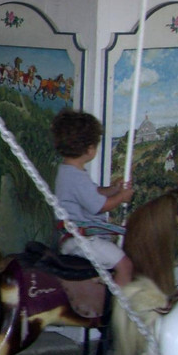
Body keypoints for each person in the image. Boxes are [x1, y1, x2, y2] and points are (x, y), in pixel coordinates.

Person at [51, 109, 134, 287]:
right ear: (90, 149)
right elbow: (100, 206)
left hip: (76, 238)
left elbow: (93, 194)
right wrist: (122, 196)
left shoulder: (68, 170)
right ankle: (119, 308)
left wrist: (113, 189)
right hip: (83, 241)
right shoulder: (76, 177)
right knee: (125, 265)